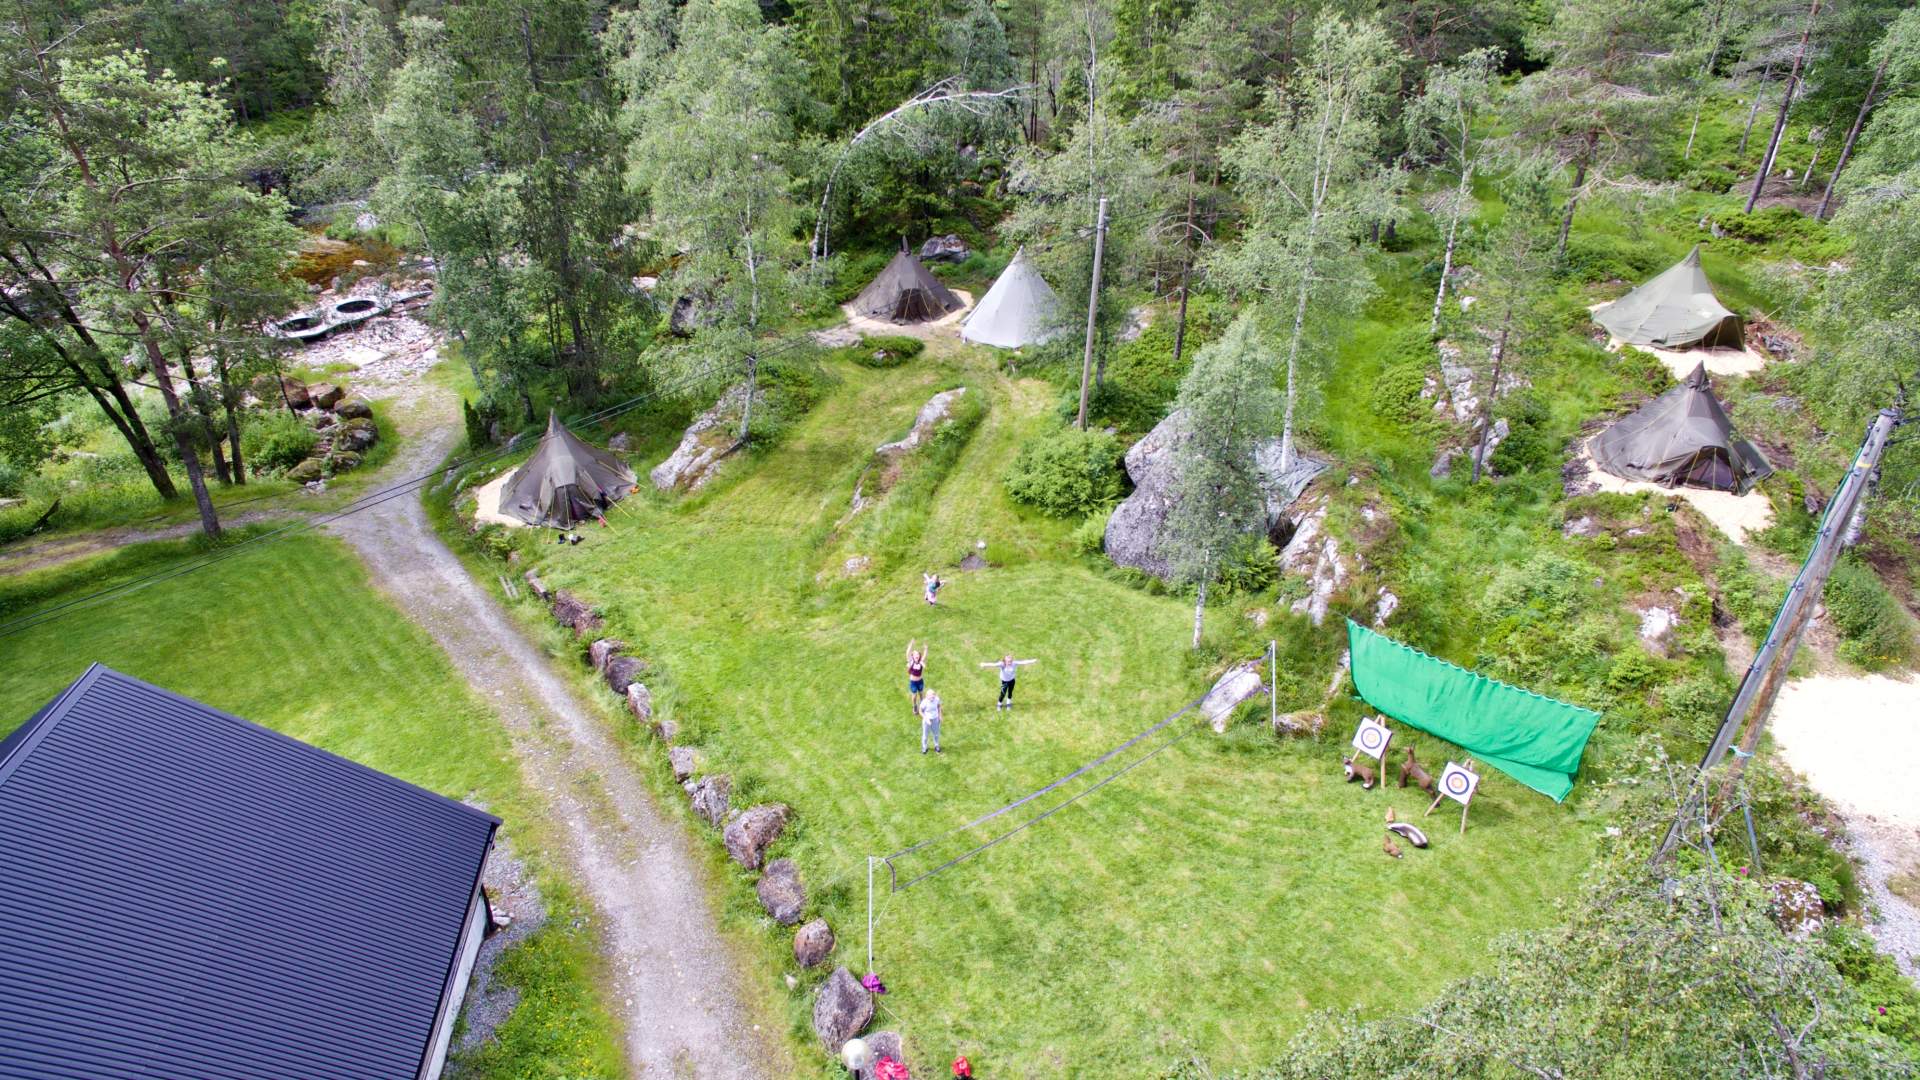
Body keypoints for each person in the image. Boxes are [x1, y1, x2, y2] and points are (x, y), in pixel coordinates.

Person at [905, 640, 928, 716]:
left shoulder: (921, 661)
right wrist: (911, 644)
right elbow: (908, 653)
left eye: (918, 654)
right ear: (913, 656)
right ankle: (915, 706)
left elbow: (925, 655)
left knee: (921, 694)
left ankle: (922, 706)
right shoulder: (911, 661)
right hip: (913, 682)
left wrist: (926, 649)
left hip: (920, 681)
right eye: (915, 654)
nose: (917, 656)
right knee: (914, 696)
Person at [918, 689, 943, 754]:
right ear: (927, 696)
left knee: (936, 734)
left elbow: (939, 706)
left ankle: (936, 746)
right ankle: (924, 747)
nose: (933, 698)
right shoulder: (924, 702)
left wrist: (940, 715)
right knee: (925, 735)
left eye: (933, 696)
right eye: (931, 696)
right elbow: (920, 711)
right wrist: (926, 718)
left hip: (935, 719)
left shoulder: (936, 699)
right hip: (927, 720)